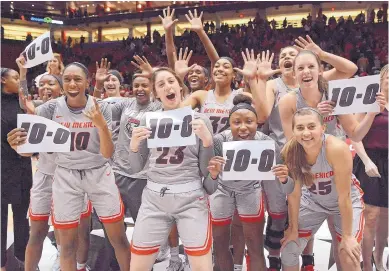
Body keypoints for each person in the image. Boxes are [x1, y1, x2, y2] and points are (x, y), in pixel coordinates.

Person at [13, 62, 131, 271]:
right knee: (66, 245)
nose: (72, 83)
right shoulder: (48, 108)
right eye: (67, 79)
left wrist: (101, 125)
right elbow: (28, 150)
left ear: (88, 81)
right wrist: (17, 145)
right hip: (65, 175)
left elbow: (107, 153)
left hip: (98, 172)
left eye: (77, 79)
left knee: (118, 238)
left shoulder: (101, 106)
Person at [128, 67, 215, 271]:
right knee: (137, 267)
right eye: (161, 84)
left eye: (171, 81)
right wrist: (133, 146)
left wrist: (207, 141)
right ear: (156, 94)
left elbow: (205, 170)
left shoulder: (200, 121)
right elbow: (136, 167)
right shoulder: (147, 121)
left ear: (179, 86)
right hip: (154, 199)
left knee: (203, 267)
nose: (167, 87)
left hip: (191, 197)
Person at [12, 56, 91, 271]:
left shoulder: (78, 108)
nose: (46, 87)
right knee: (36, 232)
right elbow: (23, 101)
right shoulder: (36, 108)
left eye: (52, 83)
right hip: (45, 175)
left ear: (63, 87)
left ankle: (81, 265)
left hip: (73, 176)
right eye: (43, 84)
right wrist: (23, 73)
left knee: (75, 234)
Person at [208, 94, 288, 271]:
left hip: (250, 191)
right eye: (237, 122)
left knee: (255, 247)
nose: (243, 127)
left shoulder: (267, 142)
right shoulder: (219, 141)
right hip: (222, 190)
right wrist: (212, 174)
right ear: (230, 123)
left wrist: (285, 178)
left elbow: (286, 184)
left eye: (249, 121)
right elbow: (208, 183)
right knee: (220, 245)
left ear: (257, 122)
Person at [280, 108, 364, 271]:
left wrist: (347, 236)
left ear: (323, 128)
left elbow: (344, 196)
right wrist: (293, 229)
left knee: (348, 253)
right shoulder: (290, 151)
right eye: (300, 128)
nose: (306, 133)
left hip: (346, 202)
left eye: (311, 127)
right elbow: (294, 194)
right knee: (289, 250)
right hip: (312, 201)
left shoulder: (336, 149)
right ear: (293, 131)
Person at [351, 65, 388, 271]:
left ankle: (379, 258)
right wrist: (366, 161)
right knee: (371, 215)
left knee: (386, 216)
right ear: (381, 78)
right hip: (369, 159)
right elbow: (355, 135)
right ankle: (366, 264)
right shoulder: (368, 99)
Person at [1, 67, 32, 271]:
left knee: (22, 218)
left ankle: (23, 261)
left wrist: (23, 74)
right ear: (3, 80)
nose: (19, 81)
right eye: (15, 77)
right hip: (2, 168)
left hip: (22, 167)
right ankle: (2, 265)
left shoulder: (23, 103)